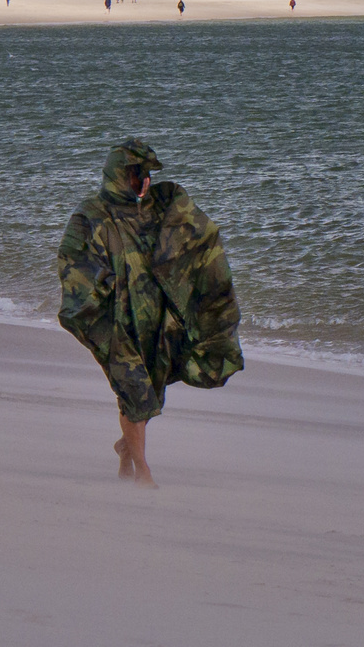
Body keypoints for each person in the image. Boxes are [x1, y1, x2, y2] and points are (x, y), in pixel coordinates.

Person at [56, 140, 243, 486]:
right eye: (137, 174)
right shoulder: (91, 214)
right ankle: (143, 472)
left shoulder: (159, 207)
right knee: (134, 389)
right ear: (119, 175)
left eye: (146, 175)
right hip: (116, 320)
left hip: (156, 318)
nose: (144, 181)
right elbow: (72, 260)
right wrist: (102, 287)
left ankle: (126, 450)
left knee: (150, 392)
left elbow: (193, 237)